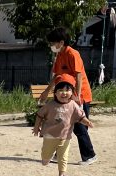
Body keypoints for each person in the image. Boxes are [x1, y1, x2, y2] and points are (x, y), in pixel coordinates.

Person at [39, 27, 97, 164]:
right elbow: (57, 76)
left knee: (79, 127)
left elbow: (78, 76)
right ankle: (59, 154)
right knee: (62, 123)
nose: (51, 45)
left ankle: (89, 155)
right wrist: (46, 91)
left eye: (52, 43)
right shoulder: (59, 56)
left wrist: (77, 96)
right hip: (67, 95)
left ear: (61, 42)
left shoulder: (73, 54)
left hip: (80, 95)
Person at [33, 74, 94, 176]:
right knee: (45, 157)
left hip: (65, 137)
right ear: (55, 93)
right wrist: (36, 127)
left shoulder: (73, 105)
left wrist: (87, 122)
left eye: (67, 90)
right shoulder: (50, 105)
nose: (64, 93)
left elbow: (80, 116)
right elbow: (39, 115)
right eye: (60, 90)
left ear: (72, 93)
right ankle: (46, 157)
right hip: (50, 136)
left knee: (63, 157)